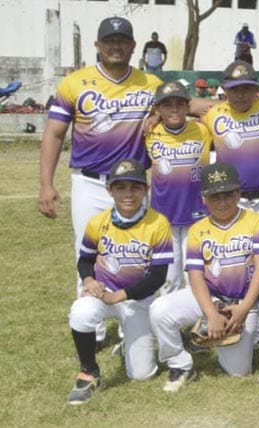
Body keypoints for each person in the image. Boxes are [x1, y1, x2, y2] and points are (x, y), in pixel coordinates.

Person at [39, 17, 164, 343]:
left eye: (122, 40)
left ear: (134, 46)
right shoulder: (74, 83)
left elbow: (181, 106)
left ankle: (130, 319)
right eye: (109, 40)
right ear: (98, 46)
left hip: (134, 185)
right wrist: (46, 184)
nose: (116, 46)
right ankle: (90, 324)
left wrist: (159, 113)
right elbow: (53, 134)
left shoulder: (150, 84)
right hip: (90, 182)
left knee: (137, 252)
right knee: (90, 251)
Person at [149, 162, 259, 392]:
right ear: (204, 198)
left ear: (238, 194)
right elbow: (195, 275)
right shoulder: (198, 229)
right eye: (215, 196)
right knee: (160, 309)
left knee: (238, 372)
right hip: (210, 296)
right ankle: (180, 362)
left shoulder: (256, 222)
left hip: (243, 303)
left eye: (228, 194)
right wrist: (211, 313)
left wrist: (244, 308)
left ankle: (222, 335)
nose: (222, 202)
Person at [67, 158, 173, 405]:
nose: (128, 194)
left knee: (141, 374)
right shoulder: (98, 222)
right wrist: (89, 279)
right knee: (80, 311)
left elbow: (157, 277)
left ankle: (129, 346)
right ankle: (88, 371)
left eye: (135, 187)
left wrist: (120, 295)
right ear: (109, 191)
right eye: (121, 187)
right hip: (104, 295)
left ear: (146, 190)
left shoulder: (158, 223)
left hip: (138, 299)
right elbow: (84, 260)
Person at [202, 60, 259, 232]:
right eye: (234, 89)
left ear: (257, 89)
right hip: (232, 199)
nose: (240, 95)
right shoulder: (213, 114)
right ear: (224, 89)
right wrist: (157, 116)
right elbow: (185, 107)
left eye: (247, 88)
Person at [144, 81, 212, 293]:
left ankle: (196, 320)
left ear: (187, 106)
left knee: (194, 273)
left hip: (197, 213)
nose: (174, 109)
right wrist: (153, 118)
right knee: (168, 277)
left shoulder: (202, 129)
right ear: (158, 108)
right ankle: (168, 323)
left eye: (179, 104)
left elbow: (223, 109)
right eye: (167, 105)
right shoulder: (150, 132)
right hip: (163, 215)